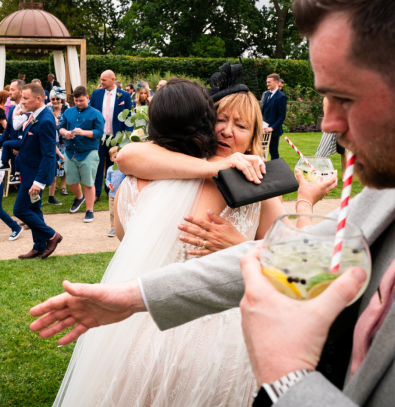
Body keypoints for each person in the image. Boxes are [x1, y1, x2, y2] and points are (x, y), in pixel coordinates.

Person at [29, 0, 395, 405]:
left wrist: (288, 377)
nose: (328, 124)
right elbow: (301, 258)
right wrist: (135, 296)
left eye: (344, 98)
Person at [48, 79, 280, 406]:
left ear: (255, 136)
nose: (227, 131)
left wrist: (239, 245)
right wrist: (215, 167)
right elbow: (129, 156)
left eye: (241, 125)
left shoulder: (259, 185)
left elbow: (288, 267)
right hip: (153, 328)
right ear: (203, 124)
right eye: (220, 120)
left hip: (202, 337)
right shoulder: (188, 172)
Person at [13, 83, 63, 259]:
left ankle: (51, 235)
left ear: (38, 99)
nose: (22, 101)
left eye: (26, 98)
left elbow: (49, 155)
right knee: (35, 210)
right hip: (28, 171)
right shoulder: (34, 116)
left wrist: (38, 182)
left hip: (35, 176)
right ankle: (39, 246)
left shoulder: (46, 120)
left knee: (19, 210)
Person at [59, 86, 105, 222]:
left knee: (88, 183)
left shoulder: (96, 113)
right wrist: (65, 133)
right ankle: (80, 197)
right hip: (70, 152)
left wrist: (84, 132)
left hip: (88, 151)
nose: (78, 103)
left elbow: (99, 133)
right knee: (71, 182)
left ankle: (89, 210)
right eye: (76, 100)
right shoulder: (68, 112)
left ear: (87, 98)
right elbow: (60, 127)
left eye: (81, 100)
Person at [90, 70, 133, 200]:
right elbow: (91, 113)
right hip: (99, 136)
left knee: (114, 164)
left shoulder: (124, 96)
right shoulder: (96, 94)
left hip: (117, 137)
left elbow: (129, 116)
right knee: (97, 165)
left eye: (103, 80)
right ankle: (96, 193)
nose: (101, 82)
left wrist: (127, 135)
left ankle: (111, 191)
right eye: (101, 79)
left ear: (112, 79)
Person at [0, 79, 26, 177]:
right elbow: (7, 131)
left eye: (12, 90)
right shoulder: (13, 108)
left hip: (24, 154)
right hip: (13, 152)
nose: (9, 92)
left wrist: (21, 148)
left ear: (21, 92)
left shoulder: (28, 109)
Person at [48, 90, 69, 203]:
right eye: (53, 99)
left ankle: (63, 186)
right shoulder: (48, 110)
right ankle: (54, 186)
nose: (55, 101)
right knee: (55, 163)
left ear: (61, 99)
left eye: (57, 99)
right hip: (53, 140)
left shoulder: (66, 109)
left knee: (64, 163)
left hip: (64, 140)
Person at [261, 73, 286, 160]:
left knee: (273, 152)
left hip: (273, 131)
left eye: (269, 82)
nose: (267, 84)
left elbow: (282, 116)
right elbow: (263, 110)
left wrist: (271, 128)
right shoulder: (266, 94)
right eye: (267, 82)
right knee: (261, 151)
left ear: (276, 82)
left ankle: (276, 171)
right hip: (263, 129)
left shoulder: (281, 97)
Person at [104, 146, 125, 237]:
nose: (118, 158)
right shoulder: (110, 169)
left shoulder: (124, 169)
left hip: (122, 195)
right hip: (112, 195)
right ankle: (113, 228)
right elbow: (107, 179)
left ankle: (124, 228)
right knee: (112, 212)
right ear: (111, 159)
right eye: (115, 157)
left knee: (123, 211)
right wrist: (109, 185)